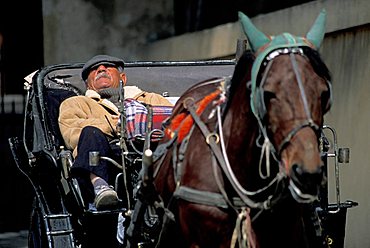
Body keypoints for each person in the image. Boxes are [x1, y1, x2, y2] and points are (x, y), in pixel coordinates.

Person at [58, 54, 173, 210]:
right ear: (88, 84)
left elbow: (175, 121)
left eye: (108, 66)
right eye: (94, 69)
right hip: (107, 159)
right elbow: (71, 132)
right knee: (90, 132)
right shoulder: (76, 103)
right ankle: (101, 187)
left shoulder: (152, 98)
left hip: (153, 154)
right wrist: (118, 125)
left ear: (123, 78)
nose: (101, 69)